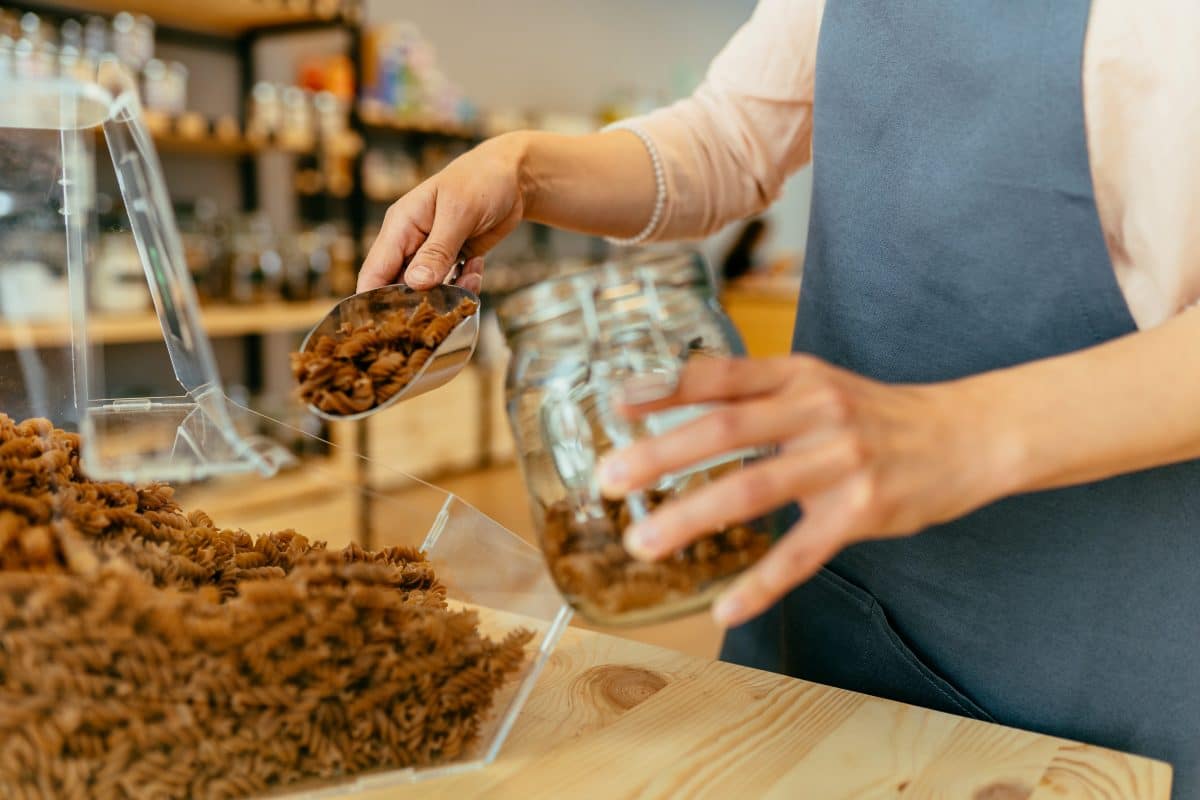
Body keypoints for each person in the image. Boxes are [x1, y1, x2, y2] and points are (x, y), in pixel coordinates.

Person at [357, 0, 1200, 793]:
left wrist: (957, 428)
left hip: (1104, 620)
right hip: (845, 581)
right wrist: (522, 164)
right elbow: (731, 138)